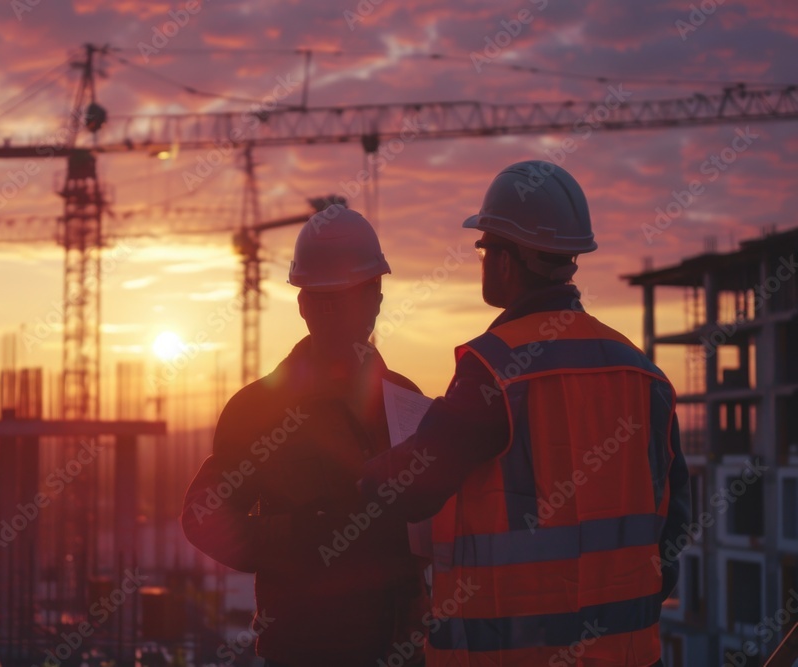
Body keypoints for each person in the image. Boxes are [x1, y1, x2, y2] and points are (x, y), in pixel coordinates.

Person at [359, 161, 691, 666]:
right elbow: (672, 533)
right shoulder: (644, 376)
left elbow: (410, 487)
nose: (483, 261)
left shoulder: (496, 370)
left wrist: (355, 474)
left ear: (509, 263)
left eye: (485, 248)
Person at [181, 205, 427, 667]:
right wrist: (302, 540)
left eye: (346, 297)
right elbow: (203, 516)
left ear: (376, 298)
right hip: (302, 649)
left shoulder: (404, 403)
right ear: (303, 304)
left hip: (399, 647)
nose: (333, 313)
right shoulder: (259, 411)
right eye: (322, 299)